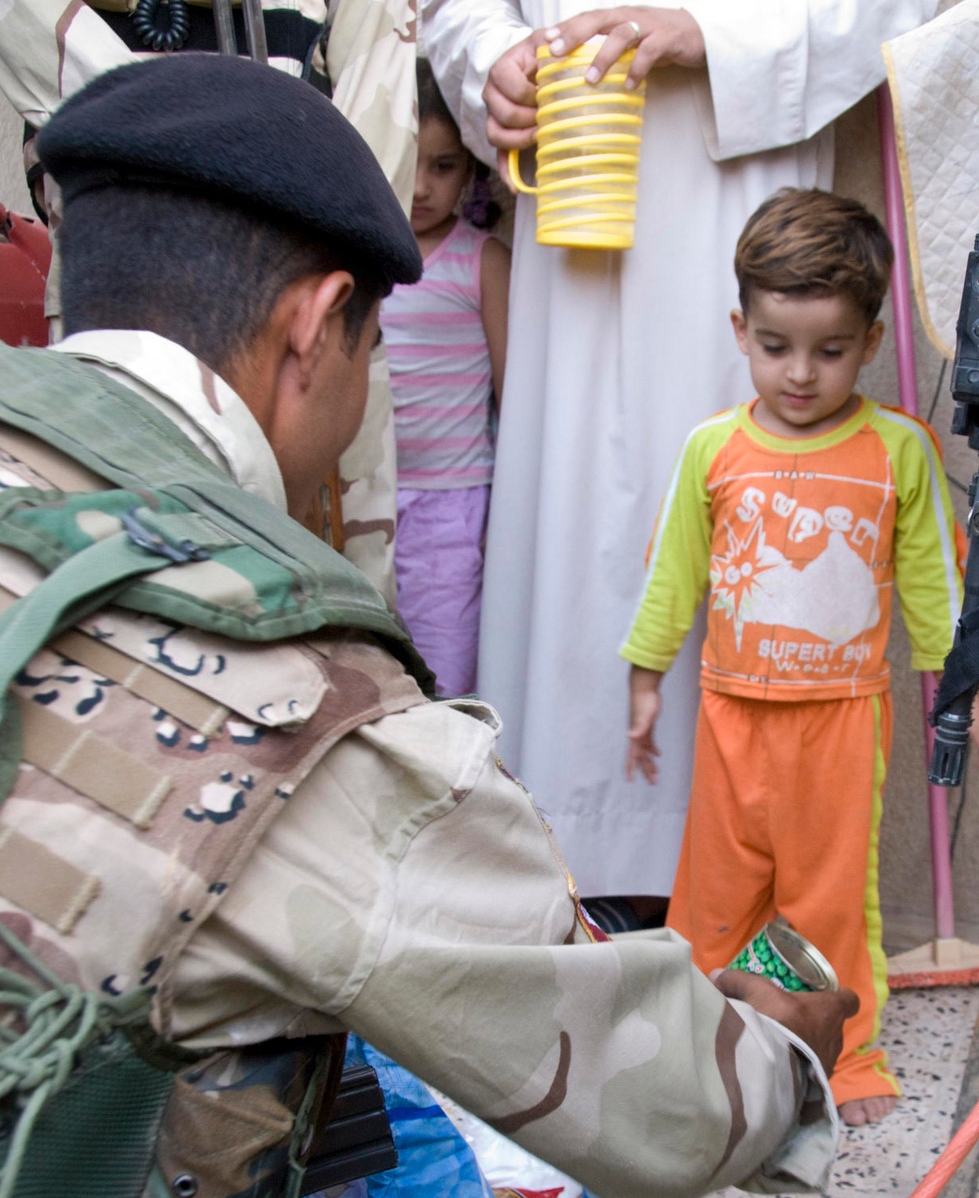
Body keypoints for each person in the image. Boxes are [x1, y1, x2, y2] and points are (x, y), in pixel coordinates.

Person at [0, 54, 858, 1198]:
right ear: (317, 325)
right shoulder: (312, 730)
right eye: (376, 349)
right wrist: (787, 1056)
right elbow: (660, 1107)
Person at [420, 0, 940, 915]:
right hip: (570, 171)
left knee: (746, 496)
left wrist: (714, 36)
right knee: (574, 521)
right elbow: (458, 10)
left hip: (731, 178)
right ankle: (568, 879)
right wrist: (492, 60)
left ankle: (740, 904)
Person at [621, 188, 961, 1129]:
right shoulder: (713, 450)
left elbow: (932, 584)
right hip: (732, 715)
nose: (802, 374)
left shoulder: (901, 452)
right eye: (777, 347)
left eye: (832, 350)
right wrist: (645, 682)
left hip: (845, 720)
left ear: (873, 337)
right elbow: (674, 578)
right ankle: (699, 1037)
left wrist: (955, 691)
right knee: (716, 895)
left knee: (830, 898)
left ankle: (842, 1056)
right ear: (742, 328)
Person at [0, 0, 417, 605]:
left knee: (334, 600)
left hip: (312, 300)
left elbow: (372, 136)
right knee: (107, 560)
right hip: (136, 274)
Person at [380, 58, 511, 696]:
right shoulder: (360, 253)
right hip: (366, 498)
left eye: (444, 166)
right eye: (412, 160)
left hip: (452, 507)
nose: (423, 187)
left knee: (444, 680)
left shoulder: (482, 261)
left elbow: (513, 393)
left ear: (472, 169)